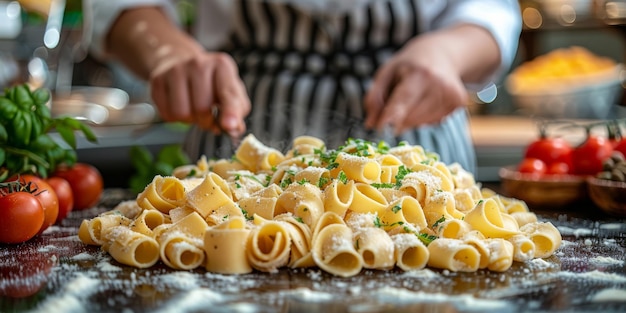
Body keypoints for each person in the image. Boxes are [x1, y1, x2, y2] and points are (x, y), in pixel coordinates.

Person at [86, 0, 521, 174]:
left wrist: (448, 53)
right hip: (240, 141)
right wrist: (167, 52)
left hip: (413, 125)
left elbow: (491, 12)